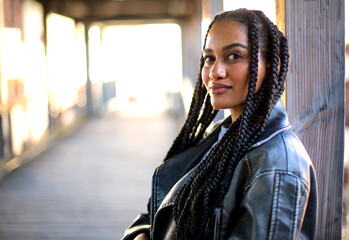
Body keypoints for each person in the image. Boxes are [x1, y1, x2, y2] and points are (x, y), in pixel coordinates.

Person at [122, 8, 317, 240]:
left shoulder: (278, 166)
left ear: (272, 66)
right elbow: (163, 212)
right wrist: (142, 234)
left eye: (234, 56)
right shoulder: (221, 137)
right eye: (209, 58)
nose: (216, 71)